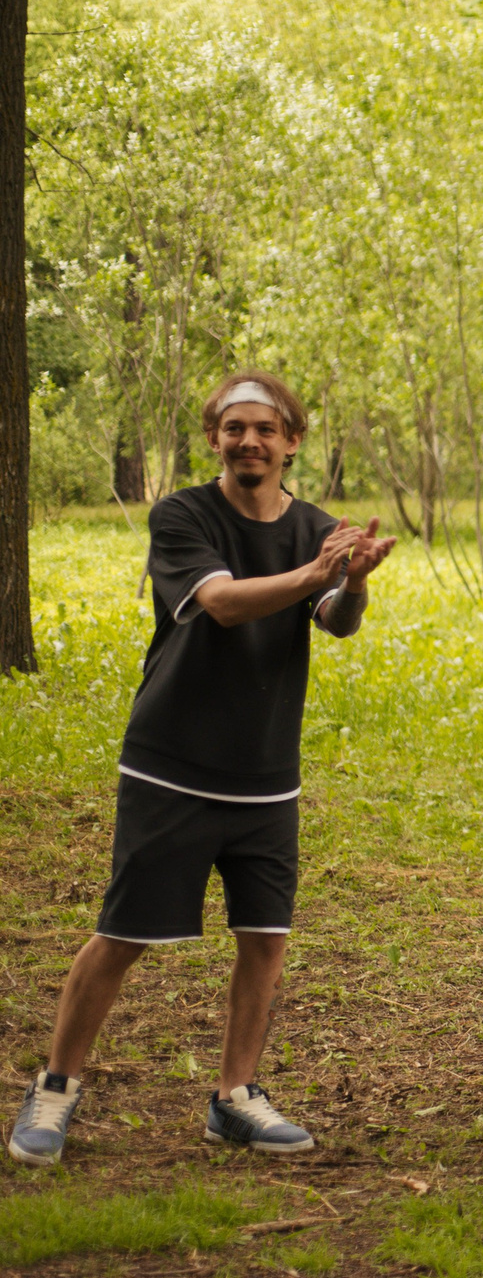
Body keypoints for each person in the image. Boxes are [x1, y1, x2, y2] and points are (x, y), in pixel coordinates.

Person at [10, 371, 396, 1168]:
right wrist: (316, 574)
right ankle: (55, 1085)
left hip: (266, 774)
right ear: (215, 438)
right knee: (123, 933)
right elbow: (221, 602)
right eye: (234, 427)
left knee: (265, 939)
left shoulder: (315, 528)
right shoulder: (183, 515)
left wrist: (351, 582)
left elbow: (336, 621)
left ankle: (235, 1097)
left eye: (265, 428)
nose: (249, 440)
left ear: (292, 441)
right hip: (173, 766)